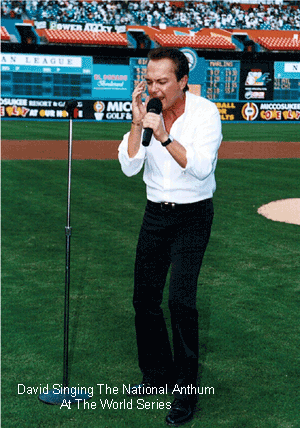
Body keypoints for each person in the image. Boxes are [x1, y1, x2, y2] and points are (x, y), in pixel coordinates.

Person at [118, 47, 222, 426]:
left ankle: (185, 391)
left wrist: (162, 136)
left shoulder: (205, 113)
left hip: (193, 215)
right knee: (144, 298)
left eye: (162, 82)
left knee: (180, 300)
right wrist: (136, 123)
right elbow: (130, 166)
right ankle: (156, 374)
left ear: (183, 83)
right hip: (155, 214)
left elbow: (199, 167)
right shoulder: (148, 112)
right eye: (149, 81)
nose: (154, 89)